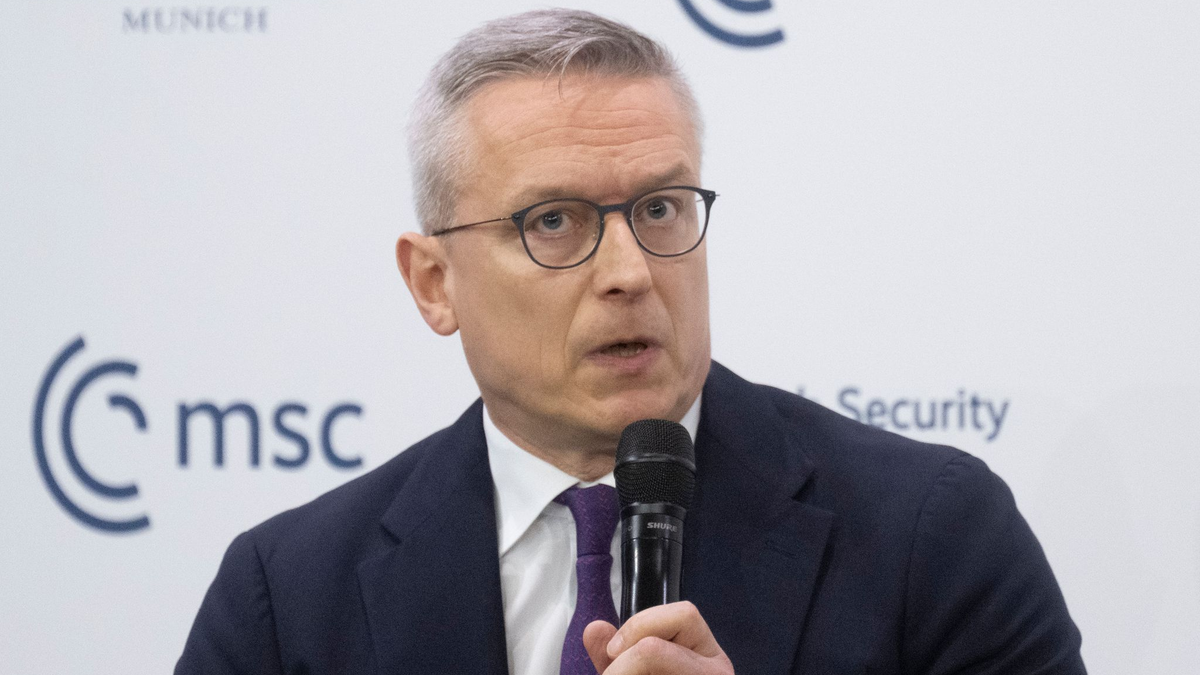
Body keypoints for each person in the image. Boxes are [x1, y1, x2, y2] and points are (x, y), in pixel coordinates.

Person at [176, 9, 1085, 675]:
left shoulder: (932, 536)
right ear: (434, 282)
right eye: (554, 221)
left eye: (659, 208)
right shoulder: (288, 598)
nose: (631, 271)